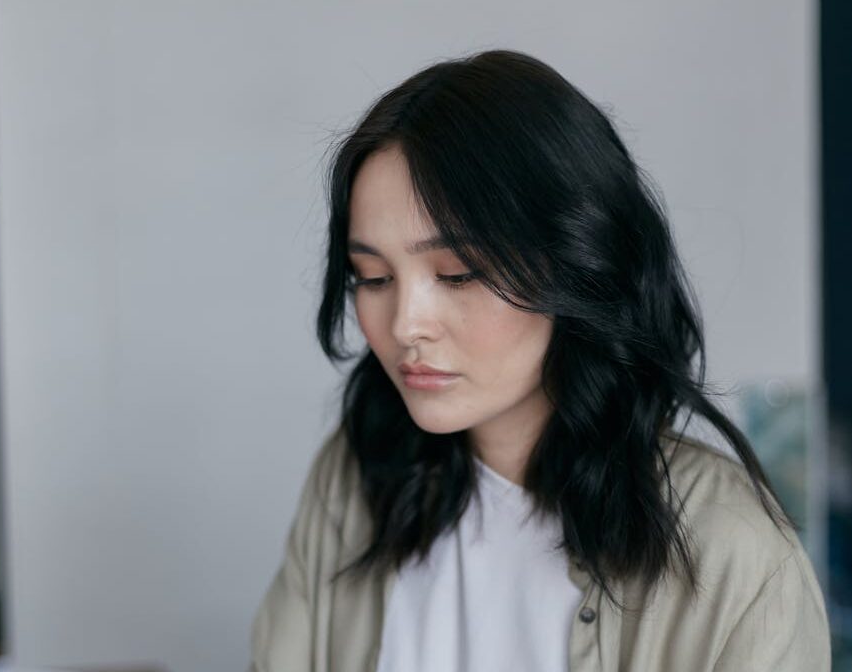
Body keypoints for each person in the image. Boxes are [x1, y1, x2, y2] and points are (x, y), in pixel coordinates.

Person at [248, 49, 831, 671]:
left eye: (457, 273)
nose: (405, 326)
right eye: (372, 276)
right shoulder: (355, 479)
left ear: (579, 263)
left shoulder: (731, 557)